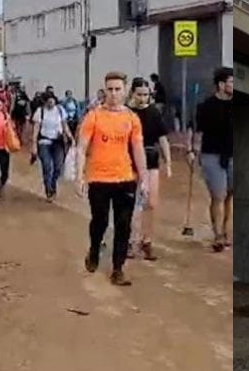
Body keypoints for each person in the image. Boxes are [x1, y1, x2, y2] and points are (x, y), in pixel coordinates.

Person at [74, 72, 148, 287]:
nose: (114, 94)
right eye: (110, 89)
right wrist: (79, 176)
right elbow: (81, 148)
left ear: (125, 91)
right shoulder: (94, 116)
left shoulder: (132, 118)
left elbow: (137, 149)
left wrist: (143, 179)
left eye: (118, 89)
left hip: (125, 178)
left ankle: (118, 268)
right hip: (98, 179)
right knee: (100, 220)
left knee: (123, 224)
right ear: (105, 90)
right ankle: (94, 248)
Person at [188, 67, 234, 252]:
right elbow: (199, 132)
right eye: (231, 82)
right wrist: (193, 151)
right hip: (211, 155)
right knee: (218, 195)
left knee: (229, 195)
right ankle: (218, 236)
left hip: (231, 155)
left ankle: (224, 230)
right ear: (221, 84)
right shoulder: (206, 106)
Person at [129, 77, 172, 261]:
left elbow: (162, 139)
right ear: (132, 94)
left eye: (146, 95)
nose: (142, 98)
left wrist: (168, 162)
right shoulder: (127, 114)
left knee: (151, 203)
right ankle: (131, 241)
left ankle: (147, 241)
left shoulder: (154, 113)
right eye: (139, 94)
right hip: (129, 161)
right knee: (132, 204)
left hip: (151, 160)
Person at [31, 93, 73, 202]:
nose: (51, 104)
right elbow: (36, 130)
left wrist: (70, 137)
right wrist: (34, 146)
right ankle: (48, 189)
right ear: (44, 102)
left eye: (52, 101)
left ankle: (53, 184)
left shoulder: (60, 110)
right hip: (44, 141)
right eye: (48, 102)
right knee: (47, 165)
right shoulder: (40, 112)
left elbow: (65, 126)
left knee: (58, 166)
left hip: (58, 141)